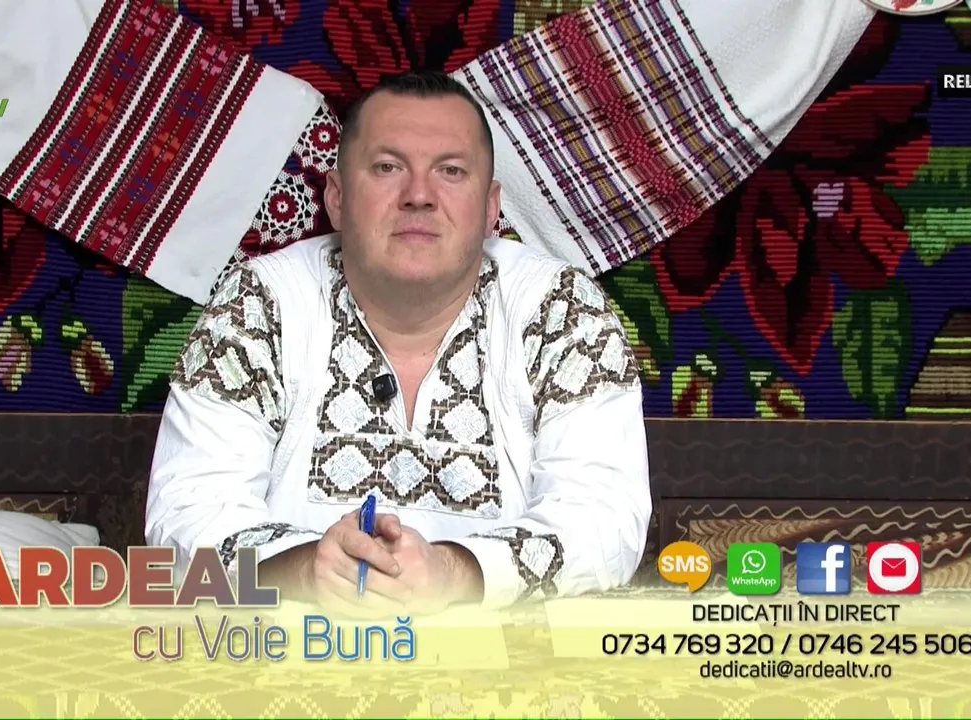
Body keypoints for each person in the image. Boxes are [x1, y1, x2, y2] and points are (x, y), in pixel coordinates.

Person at [145, 71, 652, 617]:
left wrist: (453, 573)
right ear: (337, 198)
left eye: (451, 171)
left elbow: (606, 521)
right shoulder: (259, 301)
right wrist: (307, 570)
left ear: (490, 210)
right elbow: (185, 514)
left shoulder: (561, 308)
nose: (419, 196)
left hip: (502, 658)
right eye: (388, 168)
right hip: (291, 649)